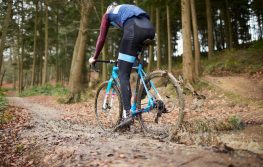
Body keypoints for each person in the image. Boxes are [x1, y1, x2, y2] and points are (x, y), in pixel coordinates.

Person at [89, 2, 155, 127]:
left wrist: (95, 57)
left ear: (109, 8)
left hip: (134, 28)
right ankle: (144, 84)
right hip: (149, 28)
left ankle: (128, 114)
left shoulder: (108, 14)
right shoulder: (125, 9)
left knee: (123, 74)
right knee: (131, 61)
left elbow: (101, 38)